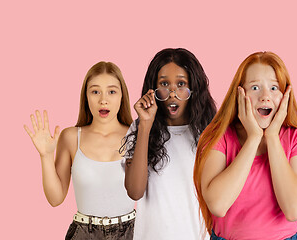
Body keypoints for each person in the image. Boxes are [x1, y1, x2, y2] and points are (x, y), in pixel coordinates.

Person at [194, 51, 297, 240]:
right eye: (255, 87)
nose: (265, 96)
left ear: (286, 95)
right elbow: (218, 205)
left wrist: (271, 136)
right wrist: (254, 138)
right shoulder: (218, 137)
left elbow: (294, 210)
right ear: (239, 93)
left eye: (274, 88)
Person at [24, 61, 135, 239]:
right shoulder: (70, 137)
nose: (103, 99)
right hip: (84, 233)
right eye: (95, 91)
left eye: (112, 91)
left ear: (122, 96)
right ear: (86, 96)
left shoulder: (137, 136)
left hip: (131, 233)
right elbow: (55, 198)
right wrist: (45, 155)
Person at [121, 48, 217, 239]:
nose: (173, 93)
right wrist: (145, 126)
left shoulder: (210, 133)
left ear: (194, 88)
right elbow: (134, 191)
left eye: (181, 84)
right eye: (164, 83)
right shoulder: (140, 128)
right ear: (153, 89)